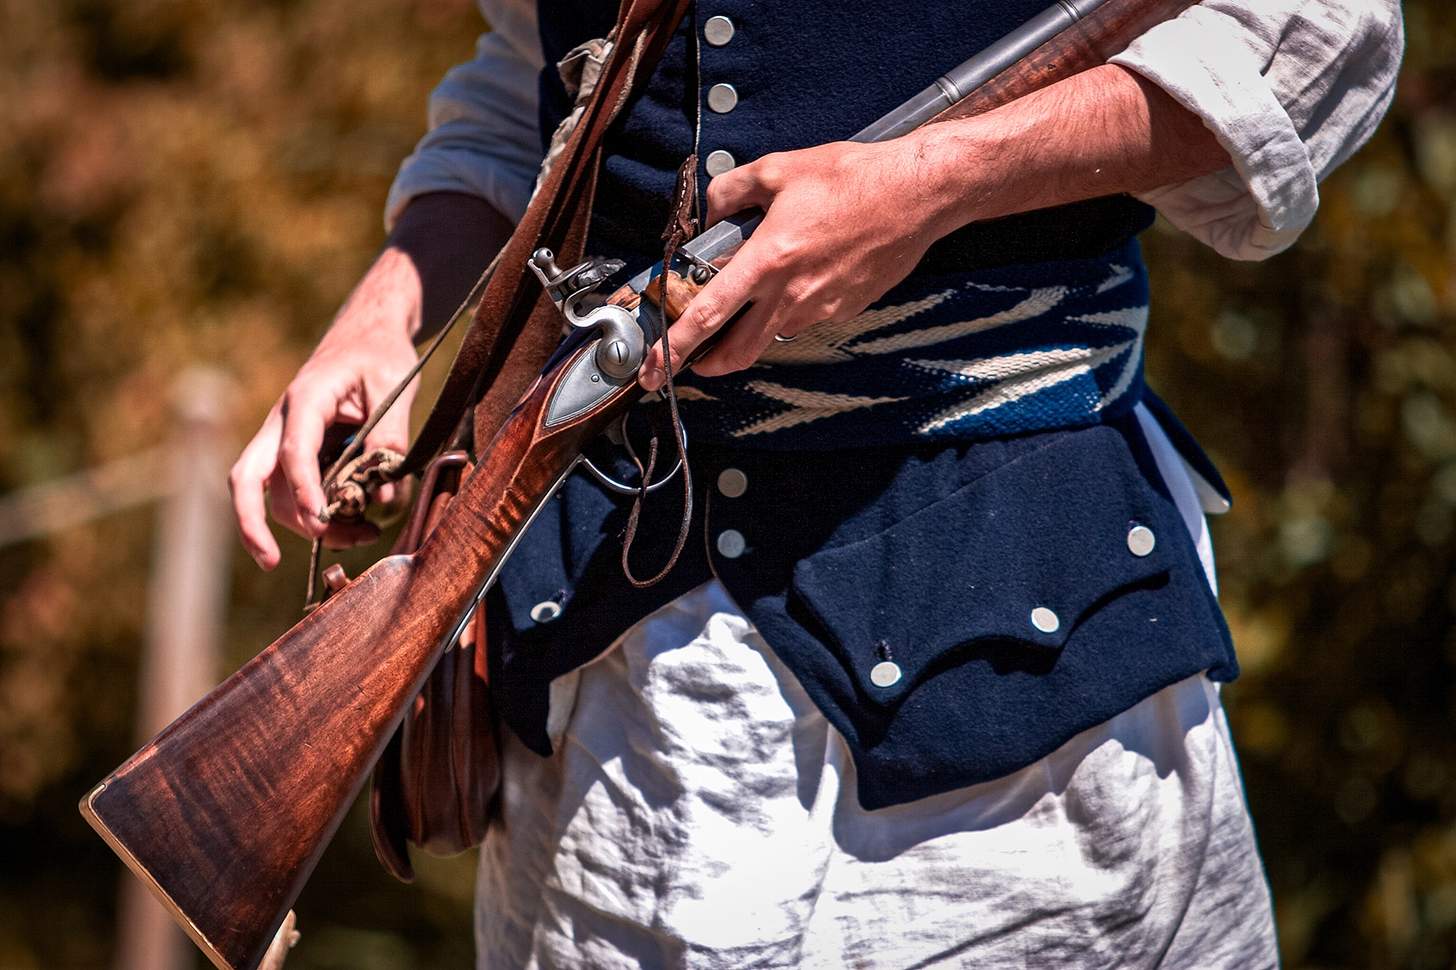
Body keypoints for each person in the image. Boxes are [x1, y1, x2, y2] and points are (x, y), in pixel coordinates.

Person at [229, 1, 1404, 966]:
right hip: (608, 683)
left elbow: (1312, 29)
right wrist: (388, 308)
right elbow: (542, 74)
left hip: (1024, 671)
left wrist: (935, 181)